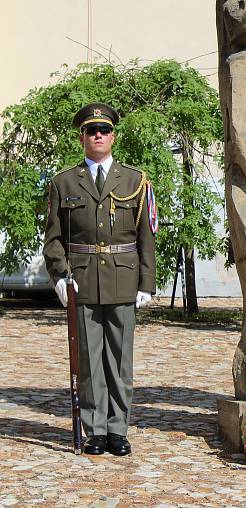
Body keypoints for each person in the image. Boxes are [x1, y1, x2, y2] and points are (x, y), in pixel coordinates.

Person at [43, 103, 157, 455]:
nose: (98, 136)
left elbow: (146, 235)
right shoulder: (63, 182)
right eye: (91, 131)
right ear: (81, 137)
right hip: (82, 282)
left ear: (113, 137)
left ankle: (118, 430)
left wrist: (147, 283)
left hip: (124, 280)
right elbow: (53, 237)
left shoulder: (136, 181)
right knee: (90, 362)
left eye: (104, 131)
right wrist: (60, 276)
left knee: (120, 360)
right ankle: (94, 430)